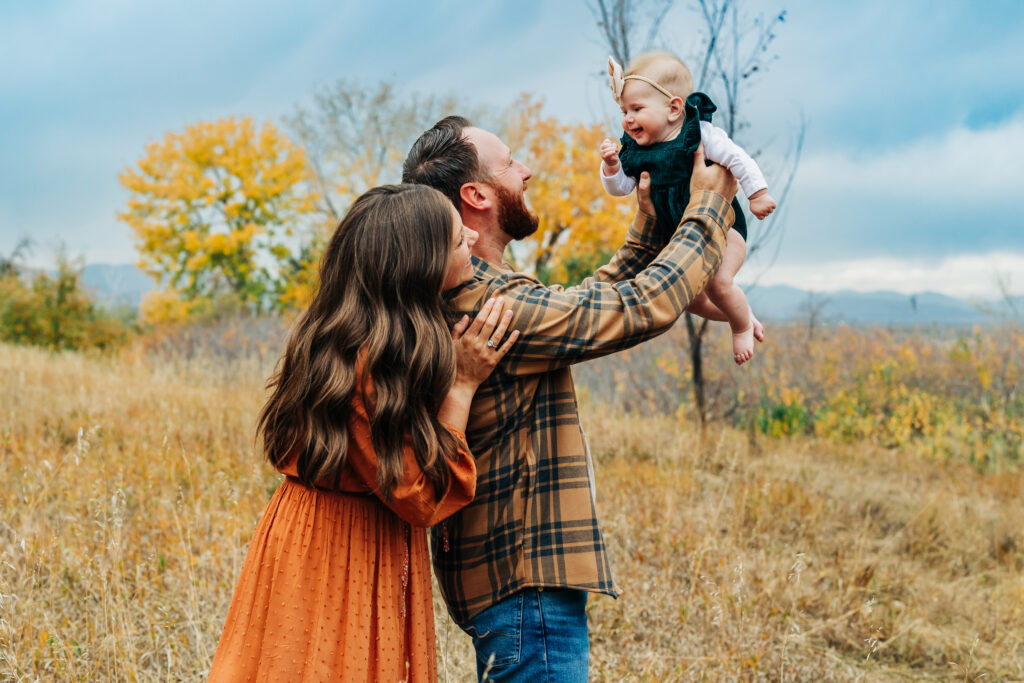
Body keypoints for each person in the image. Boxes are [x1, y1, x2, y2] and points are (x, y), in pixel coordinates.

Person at [402, 116, 738, 681]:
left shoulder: (486, 293)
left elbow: (590, 301)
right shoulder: (487, 306)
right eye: (510, 163)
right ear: (476, 194)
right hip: (525, 584)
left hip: (513, 586)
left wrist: (648, 223)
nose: (526, 170)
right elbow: (638, 308)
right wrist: (708, 207)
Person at [208, 184, 519, 682]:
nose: (466, 229)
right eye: (451, 232)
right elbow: (418, 496)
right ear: (416, 262)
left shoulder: (356, 332)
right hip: (339, 547)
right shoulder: (372, 359)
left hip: (314, 531)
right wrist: (461, 386)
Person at [600, 51, 776, 365]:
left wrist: (757, 194)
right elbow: (621, 189)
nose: (627, 118)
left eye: (637, 109)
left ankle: (740, 328)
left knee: (719, 284)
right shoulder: (636, 152)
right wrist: (612, 167)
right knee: (687, 298)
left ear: (673, 108)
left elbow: (738, 159)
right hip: (681, 239)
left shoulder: (698, 135)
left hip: (724, 231)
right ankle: (742, 313)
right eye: (624, 110)